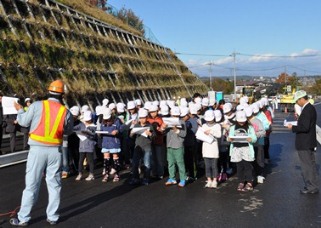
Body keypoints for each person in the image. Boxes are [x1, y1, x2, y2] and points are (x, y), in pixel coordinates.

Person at [10, 80, 73, 226]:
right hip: (55, 151)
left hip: (37, 150)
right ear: (62, 94)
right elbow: (68, 131)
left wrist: (20, 110)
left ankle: (23, 218)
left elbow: (24, 122)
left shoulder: (37, 105)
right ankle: (53, 217)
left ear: (48, 91)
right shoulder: (65, 111)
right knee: (54, 185)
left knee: (32, 184)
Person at [287, 90, 319, 194]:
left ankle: (311, 187)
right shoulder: (310, 108)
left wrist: (293, 127)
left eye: (297, 100)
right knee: (310, 165)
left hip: (305, 142)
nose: (297, 103)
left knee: (307, 166)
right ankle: (312, 186)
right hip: (309, 141)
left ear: (301, 99)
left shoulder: (307, 109)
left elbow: (304, 127)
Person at [228, 110, 257, 192]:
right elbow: (229, 137)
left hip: (246, 148)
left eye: (243, 121)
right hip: (236, 148)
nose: (242, 123)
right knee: (239, 166)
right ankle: (241, 181)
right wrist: (229, 139)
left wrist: (251, 139)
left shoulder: (249, 127)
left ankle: (249, 182)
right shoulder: (233, 127)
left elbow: (254, 137)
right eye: (240, 121)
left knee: (247, 166)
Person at [129, 108, 155, 185]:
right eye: (141, 118)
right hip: (138, 146)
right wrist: (131, 133)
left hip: (147, 146)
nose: (142, 119)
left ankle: (146, 178)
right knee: (135, 163)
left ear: (147, 117)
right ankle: (135, 178)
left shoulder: (150, 126)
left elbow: (154, 136)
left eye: (144, 118)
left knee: (147, 164)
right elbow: (131, 137)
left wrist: (150, 134)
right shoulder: (136, 125)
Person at [163, 107, 187, 187]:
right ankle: (172, 178)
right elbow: (163, 132)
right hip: (169, 145)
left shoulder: (182, 122)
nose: (175, 117)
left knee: (180, 163)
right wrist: (163, 127)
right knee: (170, 163)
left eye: (176, 116)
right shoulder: (168, 121)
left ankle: (183, 179)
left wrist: (176, 130)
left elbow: (184, 134)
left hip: (178, 145)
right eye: (173, 115)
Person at [200, 110, 222, 188]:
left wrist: (211, 131)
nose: (209, 121)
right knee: (207, 166)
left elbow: (219, 135)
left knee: (214, 166)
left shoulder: (217, 125)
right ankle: (209, 180)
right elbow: (200, 135)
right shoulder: (204, 125)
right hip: (206, 147)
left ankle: (215, 180)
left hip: (213, 147)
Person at [75, 110, 97, 181]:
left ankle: (91, 174)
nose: (87, 121)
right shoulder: (82, 124)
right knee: (80, 160)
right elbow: (75, 129)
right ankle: (80, 173)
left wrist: (88, 134)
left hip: (89, 146)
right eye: (86, 120)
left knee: (90, 160)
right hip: (82, 146)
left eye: (88, 120)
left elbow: (93, 136)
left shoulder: (94, 126)